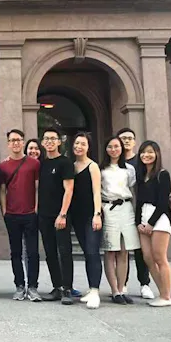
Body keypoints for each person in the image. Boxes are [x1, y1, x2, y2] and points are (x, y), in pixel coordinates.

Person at [0, 129, 42, 302]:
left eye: (19, 140)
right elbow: (2, 190)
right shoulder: (3, 166)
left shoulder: (34, 164)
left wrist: (36, 209)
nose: (16, 143)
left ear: (23, 142)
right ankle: (19, 285)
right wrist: (4, 211)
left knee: (33, 252)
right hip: (12, 214)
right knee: (15, 252)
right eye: (12, 140)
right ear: (8, 143)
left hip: (30, 214)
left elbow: (38, 188)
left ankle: (32, 287)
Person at [100, 136, 141, 305]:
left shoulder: (129, 169)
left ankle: (122, 287)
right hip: (108, 208)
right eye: (110, 146)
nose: (114, 149)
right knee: (110, 251)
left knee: (124, 252)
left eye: (116, 146)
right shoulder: (101, 169)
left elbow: (132, 189)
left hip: (126, 208)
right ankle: (114, 290)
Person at [37, 128, 75, 305]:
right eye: (46, 139)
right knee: (50, 252)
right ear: (43, 142)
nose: (50, 141)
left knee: (64, 251)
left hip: (60, 216)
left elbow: (69, 189)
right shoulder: (42, 163)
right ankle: (57, 287)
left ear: (60, 142)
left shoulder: (65, 163)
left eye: (53, 138)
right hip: (44, 215)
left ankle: (67, 289)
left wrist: (63, 214)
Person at [117, 127, 155, 300]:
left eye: (129, 138)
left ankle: (144, 283)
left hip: (139, 209)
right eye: (123, 138)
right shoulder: (114, 162)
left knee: (141, 249)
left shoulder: (139, 162)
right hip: (120, 211)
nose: (126, 141)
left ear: (134, 141)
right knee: (122, 250)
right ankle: (122, 283)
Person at [136, 141, 171, 307]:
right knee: (148, 258)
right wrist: (139, 222)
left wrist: (151, 223)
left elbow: (163, 201)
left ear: (157, 154)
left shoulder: (162, 174)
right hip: (144, 218)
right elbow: (139, 201)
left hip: (159, 219)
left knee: (159, 257)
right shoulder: (141, 175)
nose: (146, 155)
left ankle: (166, 297)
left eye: (150, 152)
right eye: (143, 152)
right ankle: (162, 292)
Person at [69, 132, 103, 309]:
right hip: (76, 216)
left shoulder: (92, 166)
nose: (79, 146)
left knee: (92, 251)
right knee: (86, 252)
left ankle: (95, 290)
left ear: (88, 147)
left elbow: (97, 191)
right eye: (76, 143)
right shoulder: (71, 166)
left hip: (91, 215)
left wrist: (97, 214)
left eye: (83, 143)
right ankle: (90, 289)